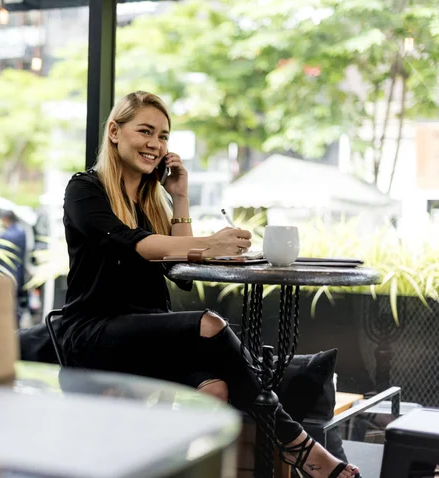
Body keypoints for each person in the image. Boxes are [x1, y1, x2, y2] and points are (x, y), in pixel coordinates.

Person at [59, 91, 360, 478]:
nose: (155, 144)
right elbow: (129, 244)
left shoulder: (150, 201)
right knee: (210, 323)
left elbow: (175, 266)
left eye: (164, 136)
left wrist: (179, 198)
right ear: (115, 132)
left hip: (146, 332)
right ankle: (297, 444)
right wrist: (209, 243)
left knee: (215, 389)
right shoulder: (85, 189)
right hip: (92, 332)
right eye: (145, 131)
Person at [0, 210, 28, 326]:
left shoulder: (9, 234)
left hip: (8, 273)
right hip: (17, 273)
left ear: (5, 219)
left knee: (10, 304)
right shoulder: (21, 231)